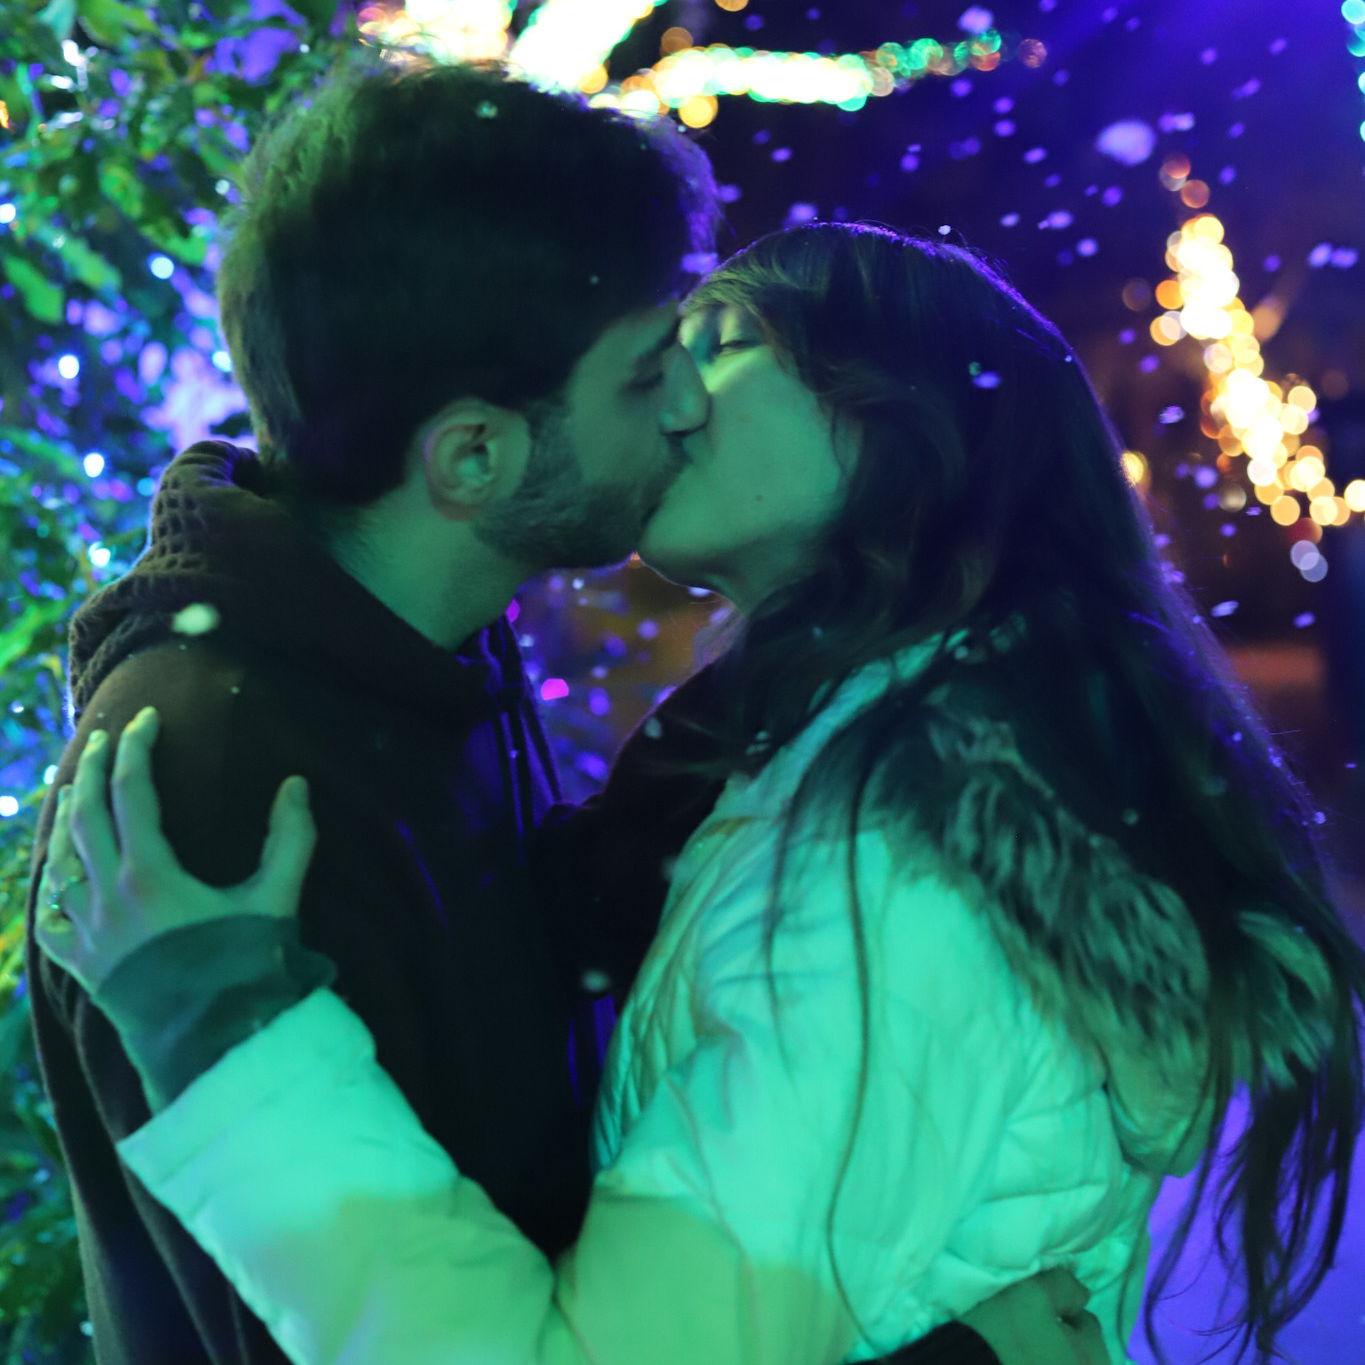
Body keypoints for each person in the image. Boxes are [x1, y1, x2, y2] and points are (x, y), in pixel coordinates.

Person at [37, 220, 1365, 1364]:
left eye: (722, 343)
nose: (671, 395)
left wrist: (229, 1035)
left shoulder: (887, 873)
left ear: (899, 428)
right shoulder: (802, 762)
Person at [19, 49, 1082, 1365]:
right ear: (474, 456)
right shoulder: (219, 784)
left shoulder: (425, 652)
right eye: (644, 374)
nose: (688, 403)